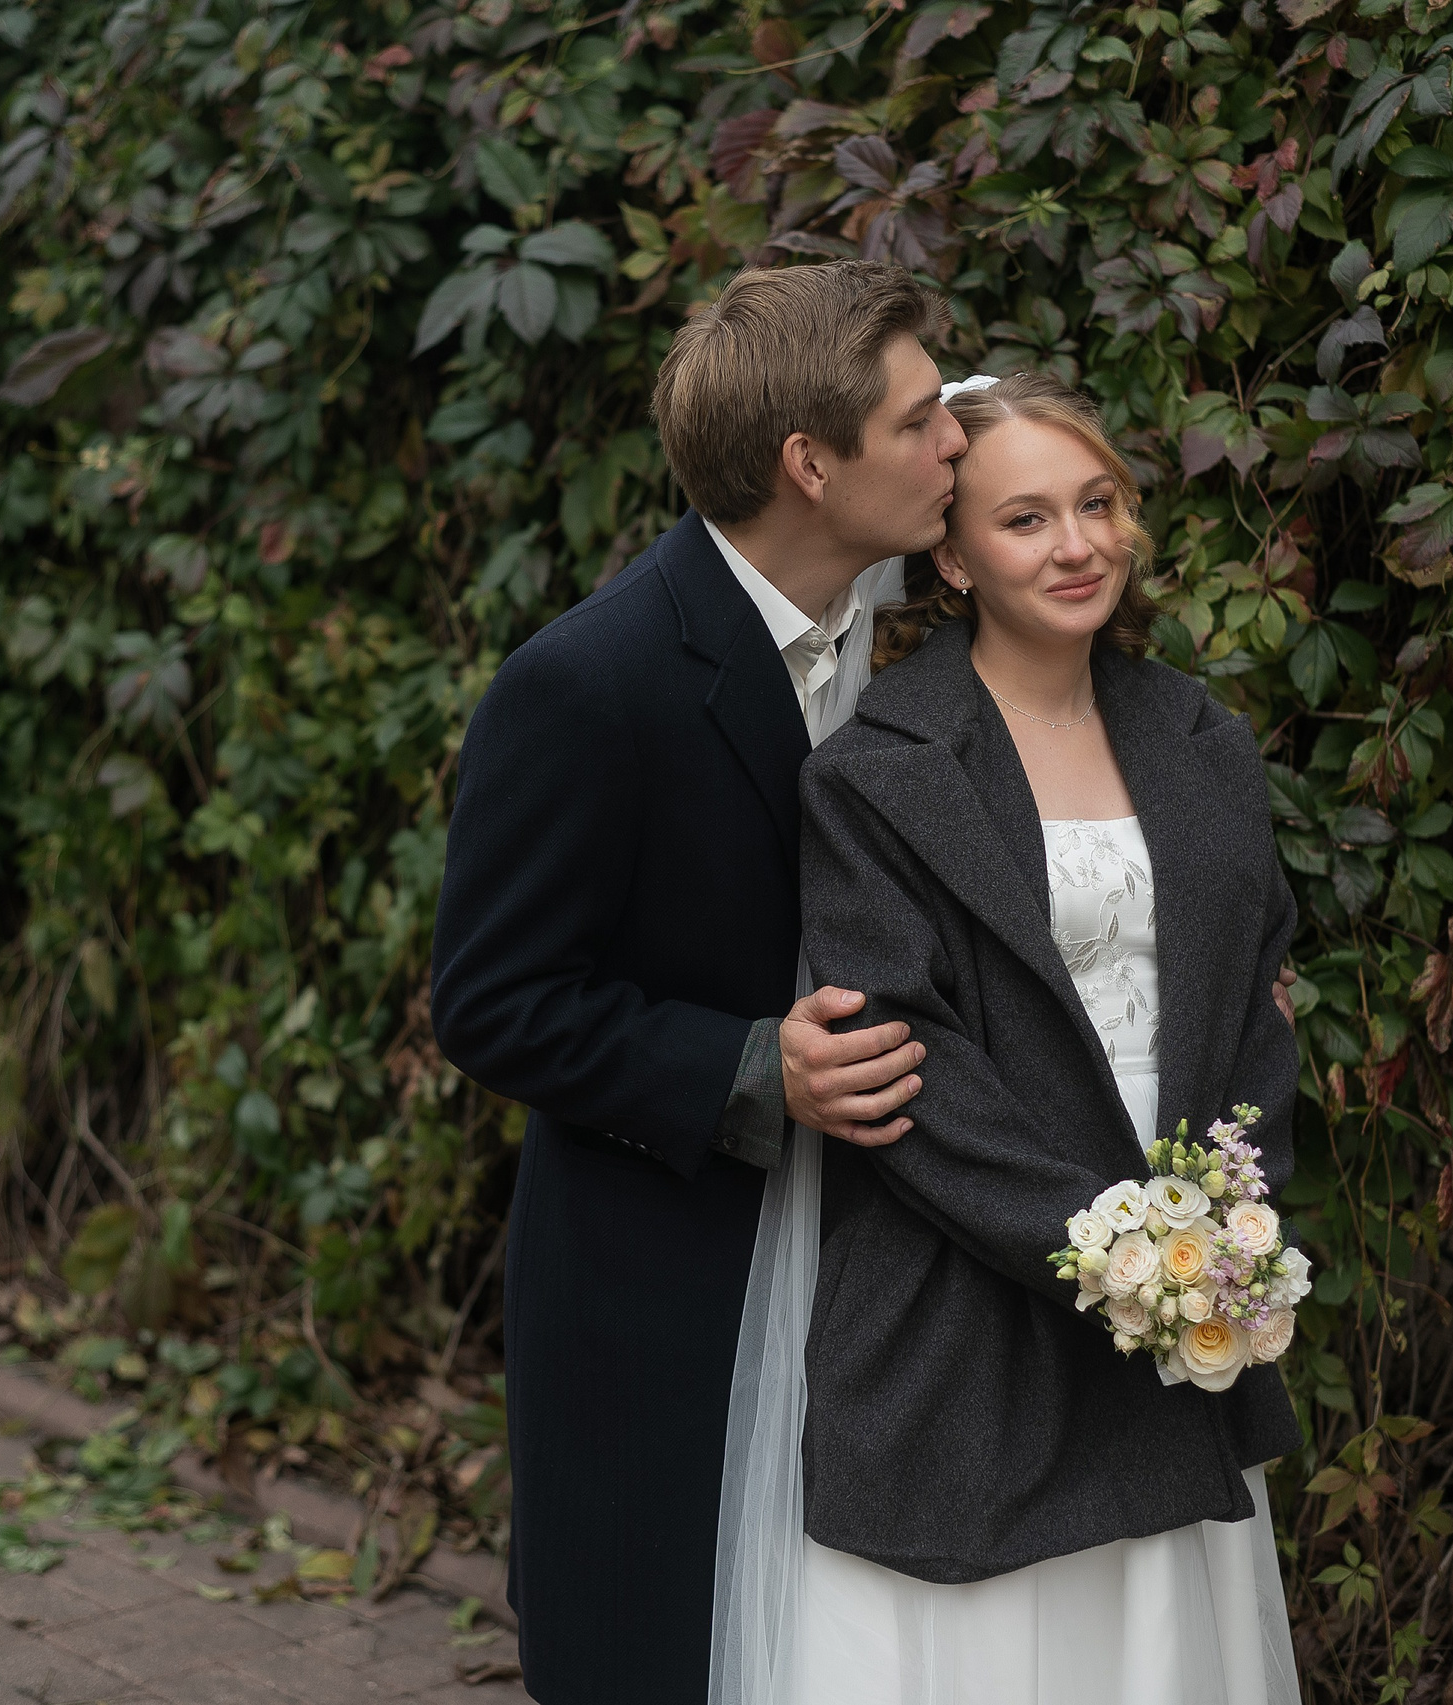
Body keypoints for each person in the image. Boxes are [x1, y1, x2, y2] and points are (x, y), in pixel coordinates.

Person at [710, 371, 1305, 1702]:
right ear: (954, 555)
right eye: (1026, 519)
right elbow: (903, 1060)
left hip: (1187, 1269)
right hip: (966, 1278)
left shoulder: (1202, 739)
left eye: (1097, 504)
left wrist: (1223, 1229)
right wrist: (1115, 1254)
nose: (1077, 545)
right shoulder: (877, 771)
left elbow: (1258, 1001)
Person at [429, 260, 971, 1702]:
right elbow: (491, 999)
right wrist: (749, 1068)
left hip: (881, 1282)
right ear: (810, 465)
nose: (958, 444)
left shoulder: (917, 627)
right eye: (920, 421)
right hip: (663, 1286)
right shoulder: (586, 684)